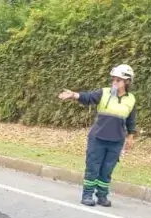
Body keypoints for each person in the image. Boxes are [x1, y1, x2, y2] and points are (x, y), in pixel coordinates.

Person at [58, 64, 136, 207]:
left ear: (127, 82)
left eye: (118, 80)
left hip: (116, 141)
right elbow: (88, 97)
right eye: (113, 79)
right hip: (98, 138)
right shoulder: (104, 93)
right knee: (93, 167)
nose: (114, 82)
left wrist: (130, 136)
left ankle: (102, 196)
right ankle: (87, 195)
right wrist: (74, 95)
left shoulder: (131, 99)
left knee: (107, 170)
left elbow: (131, 120)